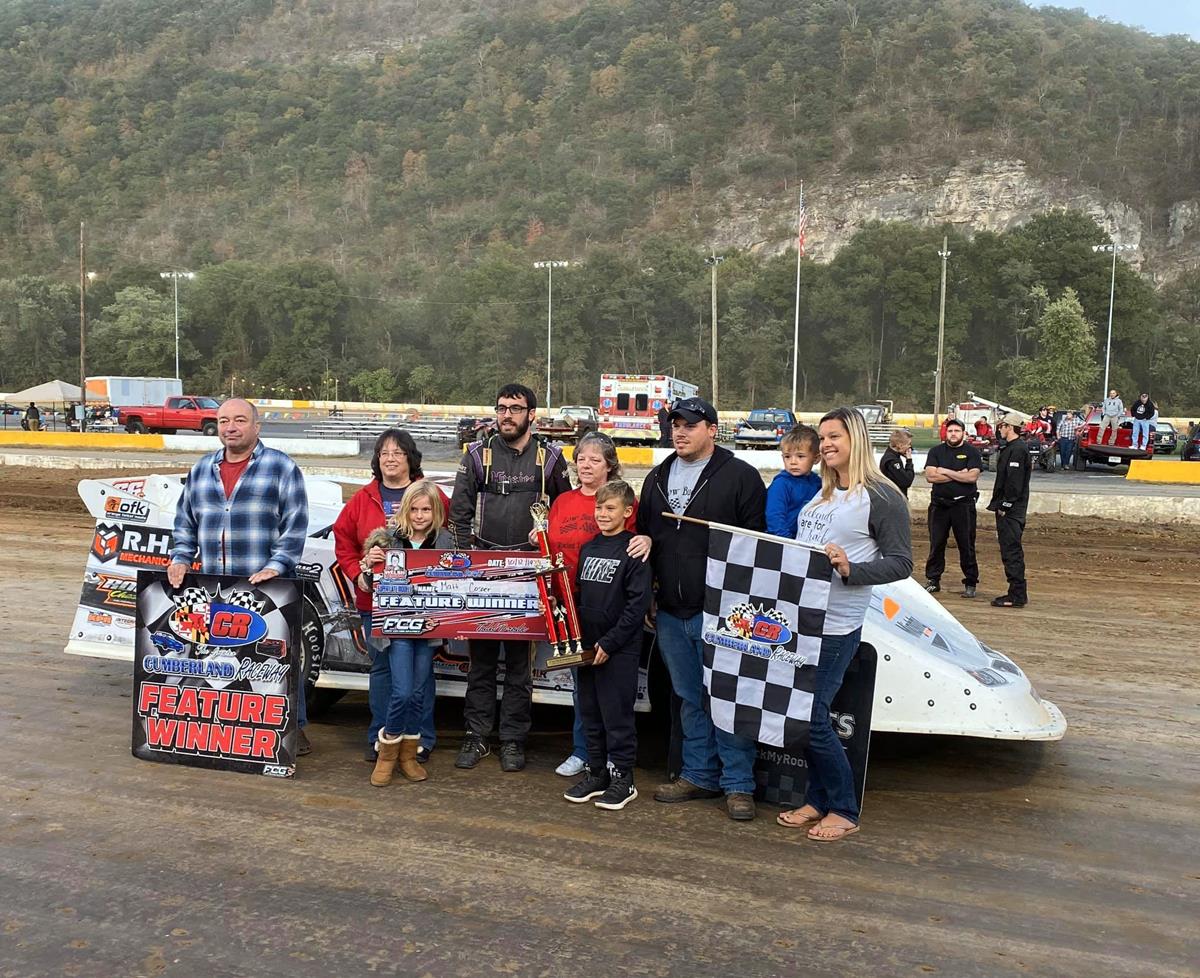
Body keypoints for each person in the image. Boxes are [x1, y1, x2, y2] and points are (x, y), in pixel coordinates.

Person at [777, 407, 912, 843]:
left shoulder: (882, 495)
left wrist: (851, 569)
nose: (826, 444)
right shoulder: (823, 493)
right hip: (802, 620)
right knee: (804, 716)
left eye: (834, 436)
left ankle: (844, 808)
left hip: (837, 626)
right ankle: (817, 800)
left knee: (813, 717)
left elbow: (901, 563)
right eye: (822, 438)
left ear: (856, 438)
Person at [637, 396, 767, 822]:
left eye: (690, 425)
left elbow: (758, 544)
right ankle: (699, 774)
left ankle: (738, 784)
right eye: (676, 424)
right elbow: (646, 539)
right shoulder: (657, 477)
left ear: (712, 429)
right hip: (671, 611)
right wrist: (650, 592)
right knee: (690, 698)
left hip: (725, 612)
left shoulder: (740, 476)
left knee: (729, 697)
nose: (680, 431)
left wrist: (743, 606)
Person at [167, 398, 312, 752]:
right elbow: (185, 522)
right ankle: (222, 727)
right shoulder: (201, 469)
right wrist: (181, 558)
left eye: (239, 420)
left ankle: (293, 728)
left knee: (275, 658)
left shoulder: (281, 467)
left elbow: (295, 523)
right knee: (215, 655)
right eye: (223, 420)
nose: (230, 427)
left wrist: (277, 565)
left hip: (267, 586)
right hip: (213, 585)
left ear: (256, 427)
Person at [450, 383, 571, 772]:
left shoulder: (550, 458)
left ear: (531, 414)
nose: (506, 415)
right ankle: (476, 735)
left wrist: (547, 547)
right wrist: (466, 569)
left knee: (521, 667)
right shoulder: (476, 454)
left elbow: (565, 512)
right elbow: (458, 516)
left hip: (528, 575)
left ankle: (514, 740)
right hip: (484, 575)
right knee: (481, 663)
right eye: (501, 408)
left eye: (515, 409)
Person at [332, 429, 449, 764]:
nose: (390, 458)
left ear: (411, 458)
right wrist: (359, 574)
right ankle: (381, 737)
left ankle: (420, 737)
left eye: (398, 452)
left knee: (421, 674)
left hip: (426, 605)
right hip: (377, 604)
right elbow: (343, 542)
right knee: (383, 669)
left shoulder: (432, 495)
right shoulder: (362, 498)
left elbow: (453, 537)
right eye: (384, 453)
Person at [541, 431, 648, 777]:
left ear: (610, 465)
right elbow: (550, 544)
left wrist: (648, 539)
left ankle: (613, 763)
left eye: (595, 459)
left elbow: (638, 542)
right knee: (582, 687)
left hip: (611, 607)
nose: (586, 465)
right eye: (581, 459)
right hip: (570, 604)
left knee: (611, 694)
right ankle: (584, 752)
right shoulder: (562, 501)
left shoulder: (624, 502)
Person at [563, 480, 653, 811]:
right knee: (590, 713)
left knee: (617, 717)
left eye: (610, 508)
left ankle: (623, 779)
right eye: (599, 507)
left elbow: (637, 606)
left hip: (618, 649)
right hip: (588, 648)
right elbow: (581, 597)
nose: (602, 513)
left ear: (627, 511)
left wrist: (610, 642)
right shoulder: (589, 548)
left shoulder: (634, 550)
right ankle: (597, 773)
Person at [361, 481, 455, 787]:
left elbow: (458, 584)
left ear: (435, 511)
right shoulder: (387, 539)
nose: (419, 515)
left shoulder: (445, 541)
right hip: (396, 628)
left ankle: (408, 755)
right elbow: (366, 584)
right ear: (405, 510)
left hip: (428, 629)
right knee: (401, 691)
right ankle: (386, 752)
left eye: (426, 509)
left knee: (417, 692)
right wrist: (369, 566)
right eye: (414, 509)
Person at [923, 418, 982, 598]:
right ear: (946, 433)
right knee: (936, 543)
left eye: (957, 431)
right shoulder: (936, 451)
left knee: (966, 544)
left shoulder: (972, 452)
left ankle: (970, 582)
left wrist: (945, 471)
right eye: (950, 431)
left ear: (963, 433)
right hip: (939, 505)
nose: (953, 434)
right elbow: (930, 477)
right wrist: (959, 474)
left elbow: (972, 477)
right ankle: (933, 580)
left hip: (963, 505)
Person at [987, 413, 1032, 608]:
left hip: (1011, 510)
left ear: (1009, 427)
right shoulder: (1012, 448)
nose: (999, 429)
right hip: (1010, 507)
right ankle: (1016, 592)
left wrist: (1006, 504)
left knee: (1011, 550)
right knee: (1009, 550)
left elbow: (1014, 482)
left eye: (1002, 426)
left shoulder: (1017, 449)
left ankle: (1017, 595)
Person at [765, 424, 822, 536]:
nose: (793, 462)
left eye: (800, 456)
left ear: (816, 458)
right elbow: (774, 517)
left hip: (809, 538)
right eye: (787, 456)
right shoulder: (781, 484)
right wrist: (787, 541)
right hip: (784, 539)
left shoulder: (818, 483)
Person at [879, 428, 915, 496]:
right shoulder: (892, 461)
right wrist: (909, 461)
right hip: (894, 499)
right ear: (900, 445)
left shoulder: (892, 456)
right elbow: (906, 481)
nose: (910, 447)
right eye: (909, 444)